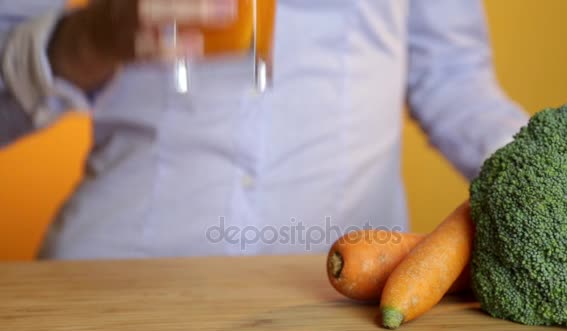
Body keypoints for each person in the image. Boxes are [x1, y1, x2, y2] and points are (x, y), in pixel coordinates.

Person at [0, 0, 528, 259]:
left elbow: (452, 78)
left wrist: (558, 174)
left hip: (349, 280)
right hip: (114, 273)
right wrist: (87, 38)